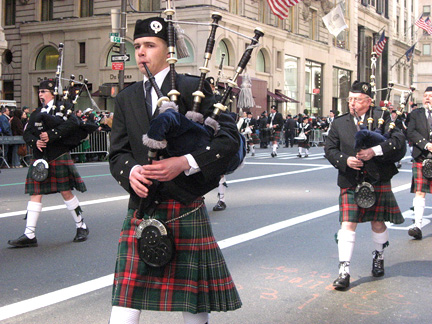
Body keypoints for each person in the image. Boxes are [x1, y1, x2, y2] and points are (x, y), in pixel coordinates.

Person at [108, 17, 242, 324]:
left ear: (169, 52)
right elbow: (117, 153)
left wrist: (184, 163)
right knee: (125, 301)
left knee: (192, 303)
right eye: (138, 46)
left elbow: (228, 140)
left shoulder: (193, 87)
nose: (141, 52)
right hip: (143, 207)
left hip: (184, 205)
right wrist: (130, 173)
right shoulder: (126, 97)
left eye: (150, 46)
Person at [324, 80, 405, 290]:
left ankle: (378, 255)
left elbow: (398, 142)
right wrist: (345, 160)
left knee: (378, 223)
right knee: (347, 224)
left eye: (357, 99)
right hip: (351, 180)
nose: (352, 103)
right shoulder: (340, 122)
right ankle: (344, 270)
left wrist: (374, 151)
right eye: (350, 99)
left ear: (368, 101)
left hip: (377, 178)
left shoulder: (382, 117)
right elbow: (330, 149)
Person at [7, 79, 89, 248]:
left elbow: (73, 124)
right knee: (35, 194)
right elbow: (27, 133)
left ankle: (81, 226)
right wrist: (35, 142)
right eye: (39, 92)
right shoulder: (37, 112)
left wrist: (52, 134)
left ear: (52, 93)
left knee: (66, 192)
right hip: (40, 158)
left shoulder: (63, 109)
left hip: (57, 155)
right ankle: (29, 234)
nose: (40, 95)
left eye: (43, 92)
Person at [406, 86, 432, 240]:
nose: (427, 98)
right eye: (426, 95)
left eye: (430, 95)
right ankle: (417, 225)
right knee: (420, 192)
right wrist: (426, 144)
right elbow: (411, 132)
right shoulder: (416, 113)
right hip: (421, 157)